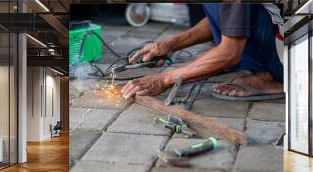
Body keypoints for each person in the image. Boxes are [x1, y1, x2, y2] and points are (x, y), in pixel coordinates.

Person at [121, 3, 284, 101]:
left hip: (295, 58)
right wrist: (171, 44)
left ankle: (279, 79)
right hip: (282, 43)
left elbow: (230, 52)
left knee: (228, 53)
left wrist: (163, 79)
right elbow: (232, 19)